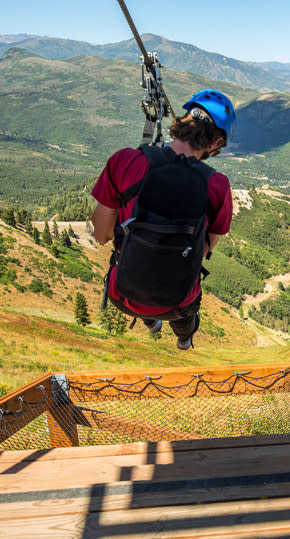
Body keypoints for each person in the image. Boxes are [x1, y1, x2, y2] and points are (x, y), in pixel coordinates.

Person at [90, 89, 235, 350]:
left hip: (122, 294)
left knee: (141, 272)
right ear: (215, 144)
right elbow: (204, 249)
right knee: (184, 308)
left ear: (181, 123)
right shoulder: (217, 186)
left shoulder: (124, 161)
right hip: (179, 300)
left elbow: (101, 235)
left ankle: (150, 322)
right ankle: (184, 338)